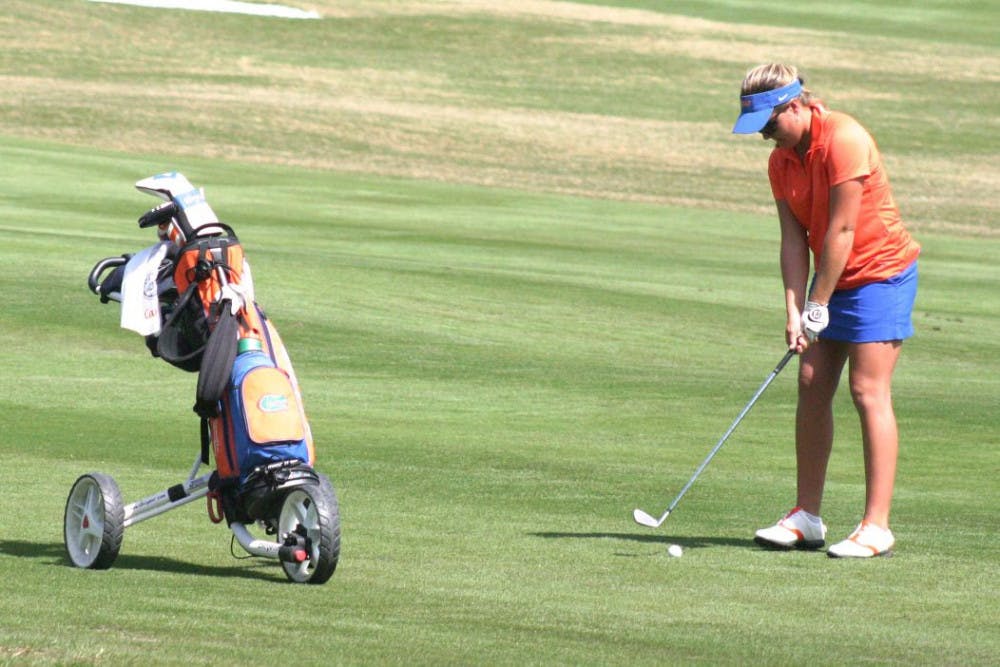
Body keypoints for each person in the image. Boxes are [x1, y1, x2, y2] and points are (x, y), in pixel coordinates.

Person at [731, 63, 920, 558]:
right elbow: (794, 240)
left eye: (770, 125)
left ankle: (876, 526)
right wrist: (795, 310)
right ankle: (806, 516)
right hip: (831, 279)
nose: (766, 138)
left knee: (867, 390)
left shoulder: (845, 138)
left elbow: (841, 231)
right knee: (812, 384)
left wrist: (818, 304)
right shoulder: (781, 161)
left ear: (795, 105)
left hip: (881, 273)